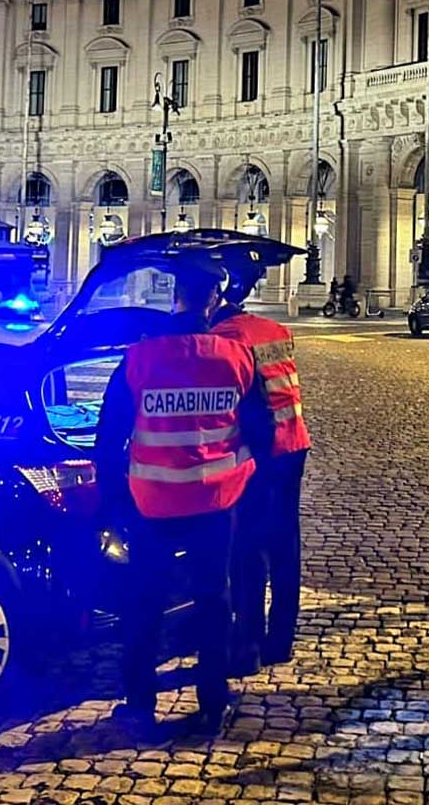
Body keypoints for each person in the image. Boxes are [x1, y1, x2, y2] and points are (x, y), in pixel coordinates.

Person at [96, 259, 273, 738]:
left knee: (145, 600)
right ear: (213, 301)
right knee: (213, 599)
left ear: (174, 299)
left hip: (152, 500)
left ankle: (138, 702)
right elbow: (263, 429)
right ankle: (212, 702)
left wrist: (113, 499)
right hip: (215, 499)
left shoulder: (141, 358)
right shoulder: (236, 357)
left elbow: (108, 436)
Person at [211, 262, 311, 674]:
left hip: (261, 450)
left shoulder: (225, 337)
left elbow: (238, 403)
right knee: (285, 543)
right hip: (294, 443)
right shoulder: (275, 331)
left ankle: (248, 641)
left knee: (249, 547)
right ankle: (282, 638)